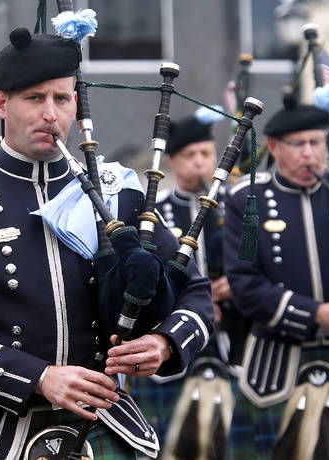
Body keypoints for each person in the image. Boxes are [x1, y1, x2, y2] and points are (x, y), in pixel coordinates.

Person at [0, 27, 214, 459]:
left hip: (104, 424)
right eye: (34, 98)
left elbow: (194, 291)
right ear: (1, 103)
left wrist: (165, 343)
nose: (51, 114)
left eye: (62, 99)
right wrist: (39, 376)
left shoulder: (114, 193)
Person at [224, 99, 329, 459]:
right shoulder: (247, 202)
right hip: (275, 367)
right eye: (300, 144)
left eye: (317, 142)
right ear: (275, 147)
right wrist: (313, 313)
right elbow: (245, 284)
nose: (311, 154)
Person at [128, 112, 243, 457]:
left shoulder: (235, 210)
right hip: (174, 349)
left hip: (231, 346)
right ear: (174, 160)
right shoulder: (155, 214)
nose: (200, 163)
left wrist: (233, 288)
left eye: (206, 154)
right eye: (191, 155)